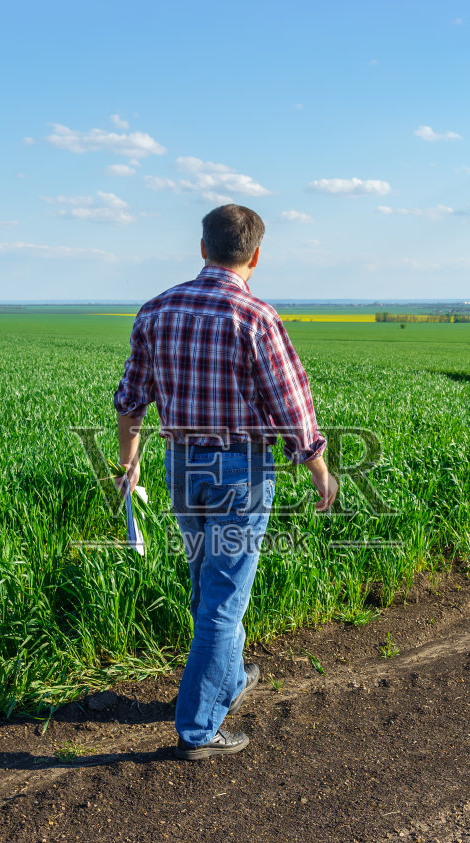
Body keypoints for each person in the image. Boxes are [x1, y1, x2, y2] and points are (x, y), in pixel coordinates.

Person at [113, 204, 338, 760]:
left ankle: (229, 677)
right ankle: (199, 730)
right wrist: (319, 470)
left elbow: (131, 399)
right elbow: (292, 405)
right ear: (255, 255)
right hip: (240, 469)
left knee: (206, 582)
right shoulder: (255, 317)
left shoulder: (157, 309)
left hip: (181, 466)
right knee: (225, 598)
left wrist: (129, 462)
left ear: (202, 248)